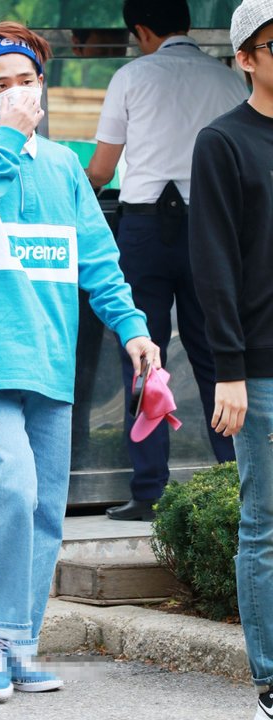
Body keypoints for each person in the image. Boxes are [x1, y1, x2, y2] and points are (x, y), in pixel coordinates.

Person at [0, 21, 160, 703]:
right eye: (1, 85)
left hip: (52, 364)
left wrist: (134, 330)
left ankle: (19, 645)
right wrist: (6, 142)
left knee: (44, 510)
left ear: (43, 83)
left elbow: (99, 260)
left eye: (26, 81)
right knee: (10, 490)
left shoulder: (64, 168)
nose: (17, 93)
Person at [87, 0, 247, 521]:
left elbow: (101, 169)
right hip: (211, 228)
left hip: (144, 230)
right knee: (217, 354)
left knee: (142, 354)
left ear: (140, 30)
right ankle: (234, 483)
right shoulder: (228, 80)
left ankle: (149, 491)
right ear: (187, 23)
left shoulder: (131, 77)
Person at [189, 2, 273, 717]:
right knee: (265, 524)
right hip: (263, 368)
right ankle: (271, 679)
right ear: (245, 58)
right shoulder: (223, 143)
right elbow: (213, 264)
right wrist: (231, 370)